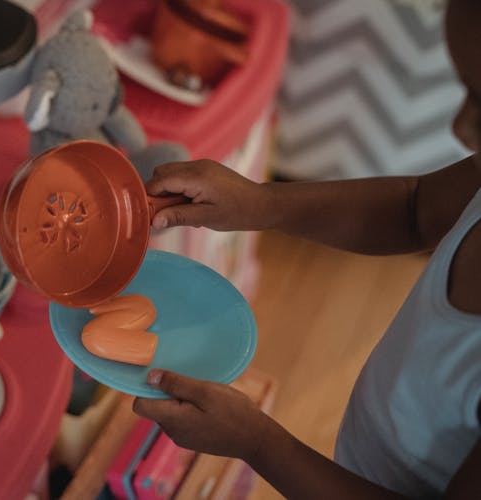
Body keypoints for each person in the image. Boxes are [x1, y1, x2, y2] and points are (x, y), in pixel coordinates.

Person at [132, 0, 481, 497]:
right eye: (463, 87)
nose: (461, 128)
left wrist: (257, 442)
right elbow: (415, 208)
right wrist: (258, 203)